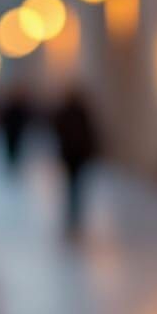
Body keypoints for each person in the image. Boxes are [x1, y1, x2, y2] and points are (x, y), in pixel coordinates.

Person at [50, 84, 100, 240]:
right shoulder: (80, 112)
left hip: (72, 155)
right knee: (74, 185)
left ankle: (73, 214)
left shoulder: (72, 112)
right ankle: (73, 213)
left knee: (73, 185)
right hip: (75, 155)